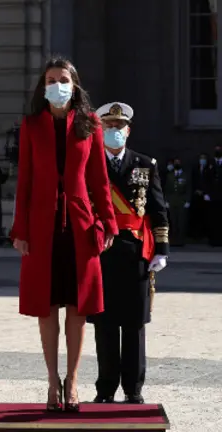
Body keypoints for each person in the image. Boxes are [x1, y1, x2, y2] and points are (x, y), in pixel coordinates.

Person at [10, 57, 117, 413]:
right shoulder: (30, 125)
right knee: (46, 306)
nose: (57, 84)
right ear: (43, 86)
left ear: (75, 84)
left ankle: (72, 381)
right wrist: (19, 229)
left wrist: (108, 223)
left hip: (80, 226)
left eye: (63, 79)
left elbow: (100, 181)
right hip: (42, 228)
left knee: (77, 307)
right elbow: (23, 181)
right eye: (51, 79)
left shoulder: (90, 124)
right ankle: (51, 380)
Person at [89, 102, 170, 404]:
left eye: (119, 127)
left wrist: (161, 249)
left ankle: (133, 390)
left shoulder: (145, 164)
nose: (114, 131)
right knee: (105, 323)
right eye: (108, 126)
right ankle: (105, 388)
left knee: (134, 323)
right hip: (102, 252)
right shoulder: (90, 164)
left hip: (137, 251)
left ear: (128, 130)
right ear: (101, 130)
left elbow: (159, 209)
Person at [164, 156, 191, 246]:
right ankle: (174, 240)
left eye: (178, 162)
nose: (176, 164)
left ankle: (181, 240)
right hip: (172, 201)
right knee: (173, 221)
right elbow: (167, 189)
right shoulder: (170, 175)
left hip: (182, 202)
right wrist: (167, 200)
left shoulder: (185, 175)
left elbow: (188, 189)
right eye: (175, 162)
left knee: (181, 221)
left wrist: (187, 201)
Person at [189, 153, 212, 240]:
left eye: (204, 158)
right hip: (196, 194)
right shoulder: (195, 168)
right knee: (196, 215)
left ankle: (205, 233)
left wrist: (205, 192)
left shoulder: (209, 168)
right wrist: (196, 190)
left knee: (205, 215)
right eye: (201, 158)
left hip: (206, 195)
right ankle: (196, 234)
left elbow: (210, 182)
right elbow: (193, 180)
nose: (202, 160)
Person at [209, 146, 222, 246]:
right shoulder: (210, 164)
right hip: (212, 195)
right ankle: (213, 240)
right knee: (212, 218)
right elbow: (206, 179)